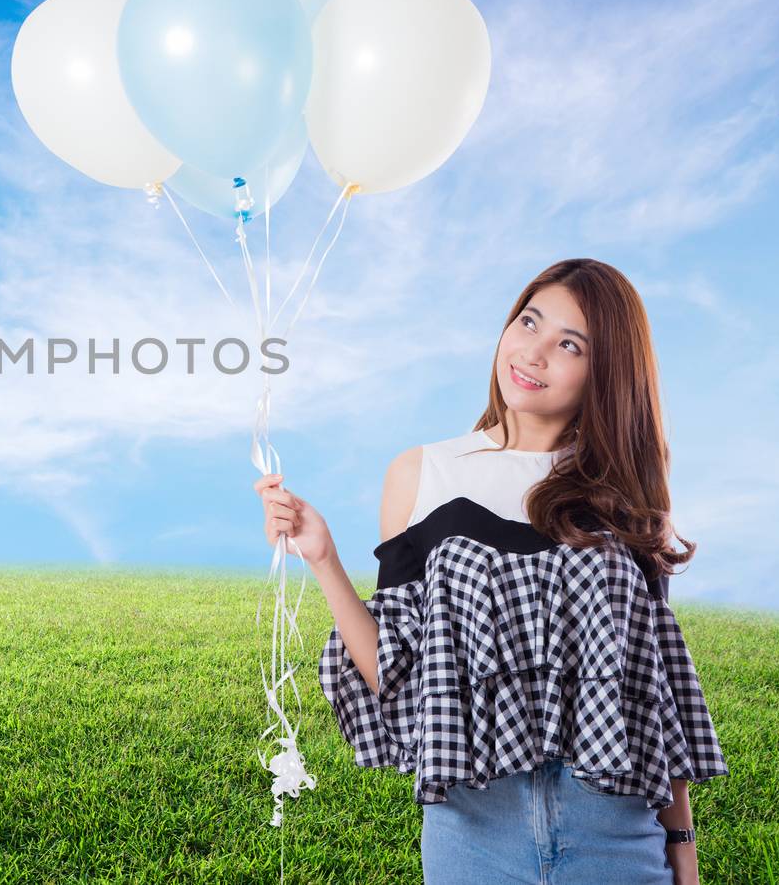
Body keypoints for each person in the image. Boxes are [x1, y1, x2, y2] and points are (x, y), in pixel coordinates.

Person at [253, 259, 727, 885]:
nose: (534, 353)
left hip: (612, 833)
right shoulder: (424, 472)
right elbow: (393, 668)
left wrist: (684, 857)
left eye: (569, 344)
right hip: (474, 835)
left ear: (603, 371)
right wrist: (323, 557)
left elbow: (651, 691)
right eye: (528, 322)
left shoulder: (625, 495)